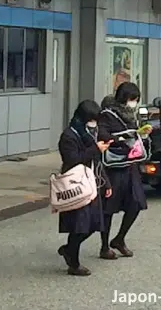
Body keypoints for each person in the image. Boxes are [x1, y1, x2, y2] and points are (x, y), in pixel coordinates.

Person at [57, 99, 111, 276]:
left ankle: (69, 249)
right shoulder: (69, 135)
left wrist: (106, 182)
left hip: (92, 183)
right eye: (91, 119)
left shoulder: (89, 134)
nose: (94, 123)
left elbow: (97, 162)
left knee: (94, 223)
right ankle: (74, 262)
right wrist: (95, 149)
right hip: (76, 185)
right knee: (79, 225)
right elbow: (72, 160)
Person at [98, 82, 149, 259]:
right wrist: (123, 137)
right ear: (123, 98)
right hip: (114, 167)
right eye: (132, 99)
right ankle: (104, 246)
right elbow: (102, 135)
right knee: (109, 208)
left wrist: (142, 134)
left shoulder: (133, 114)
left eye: (136, 99)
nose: (134, 103)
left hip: (130, 164)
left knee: (136, 203)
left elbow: (135, 134)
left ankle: (119, 239)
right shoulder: (107, 114)